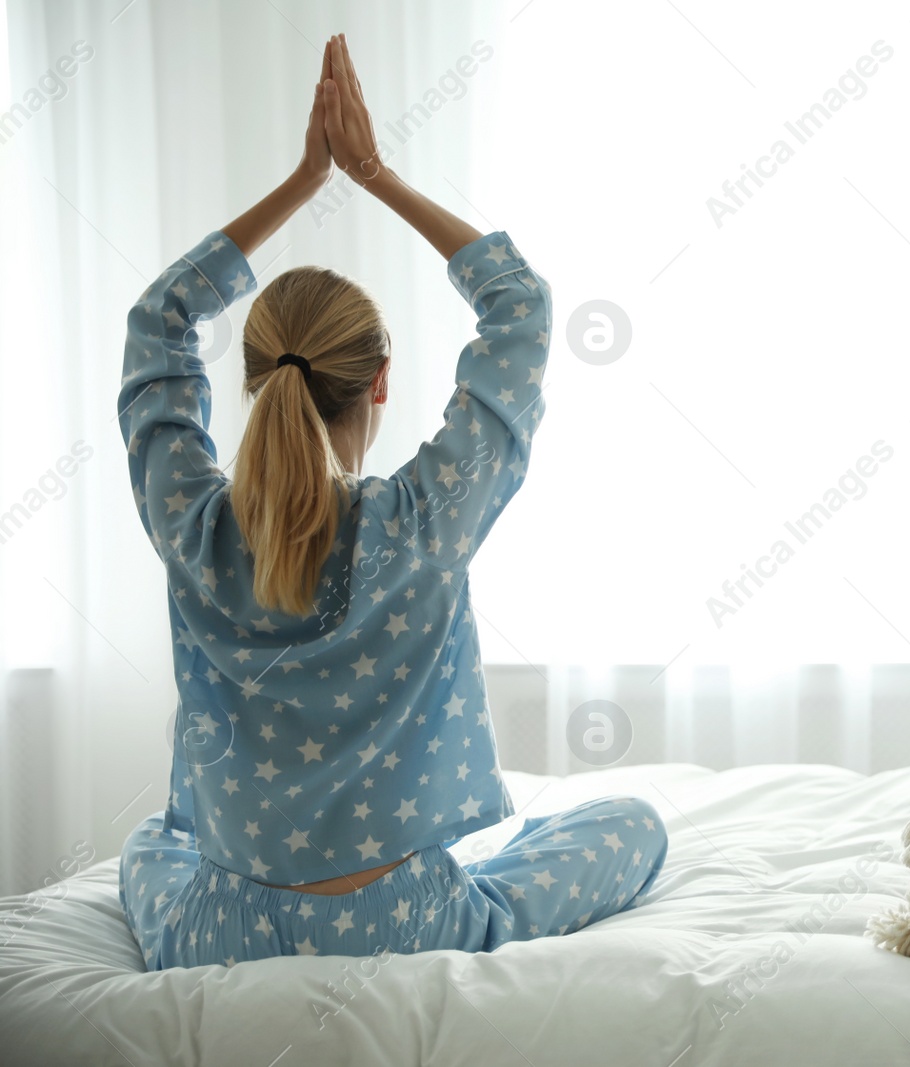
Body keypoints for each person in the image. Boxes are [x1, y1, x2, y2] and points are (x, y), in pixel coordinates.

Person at [116, 34, 666, 970]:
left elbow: (160, 323)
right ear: (380, 383)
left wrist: (302, 182)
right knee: (634, 822)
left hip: (223, 928)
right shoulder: (423, 524)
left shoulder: (195, 529)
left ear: (251, 384)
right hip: (401, 920)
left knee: (147, 845)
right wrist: (370, 174)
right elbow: (519, 308)